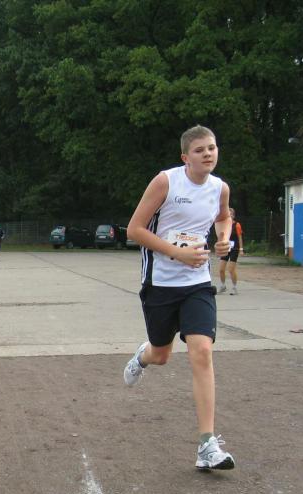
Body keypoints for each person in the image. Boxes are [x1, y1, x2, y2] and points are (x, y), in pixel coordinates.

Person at [123, 125, 235, 471]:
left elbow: (223, 217)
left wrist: (223, 239)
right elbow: (134, 229)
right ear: (186, 157)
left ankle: (207, 445)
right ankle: (142, 356)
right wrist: (177, 252)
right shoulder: (166, 182)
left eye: (212, 147)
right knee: (161, 354)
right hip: (160, 282)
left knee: (202, 351)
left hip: (197, 283)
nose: (208, 154)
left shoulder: (220, 188)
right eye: (200, 150)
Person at [217, 208, 243, 294]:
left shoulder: (237, 225)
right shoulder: (224, 225)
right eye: (228, 214)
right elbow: (220, 236)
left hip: (234, 248)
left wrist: (241, 249)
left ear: (233, 216)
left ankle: (234, 287)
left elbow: (240, 238)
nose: (229, 215)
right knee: (221, 269)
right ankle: (223, 286)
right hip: (226, 247)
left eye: (231, 214)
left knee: (231, 269)